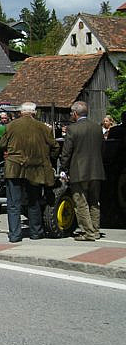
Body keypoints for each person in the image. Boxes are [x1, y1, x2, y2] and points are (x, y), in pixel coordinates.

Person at [0, 102, 59, 242]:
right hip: (35, 168)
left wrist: (4, 155)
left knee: (14, 204)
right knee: (34, 201)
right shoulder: (43, 127)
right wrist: (49, 158)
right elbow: (55, 147)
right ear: (34, 113)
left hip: (13, 168)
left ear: (21, 112)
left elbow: (1, 145)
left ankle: (15, 235)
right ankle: (36, 232)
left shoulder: (10, 126)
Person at [60, 101, 105, 241]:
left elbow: (67, 152)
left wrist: (63, 168)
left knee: (81, 203)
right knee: (94, 202)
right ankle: (95, 230)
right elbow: (102, 149)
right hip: (96, 170)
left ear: (75, 113)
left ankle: (88, 232)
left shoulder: (72, 129)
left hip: (79, 170)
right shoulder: (97, 128)